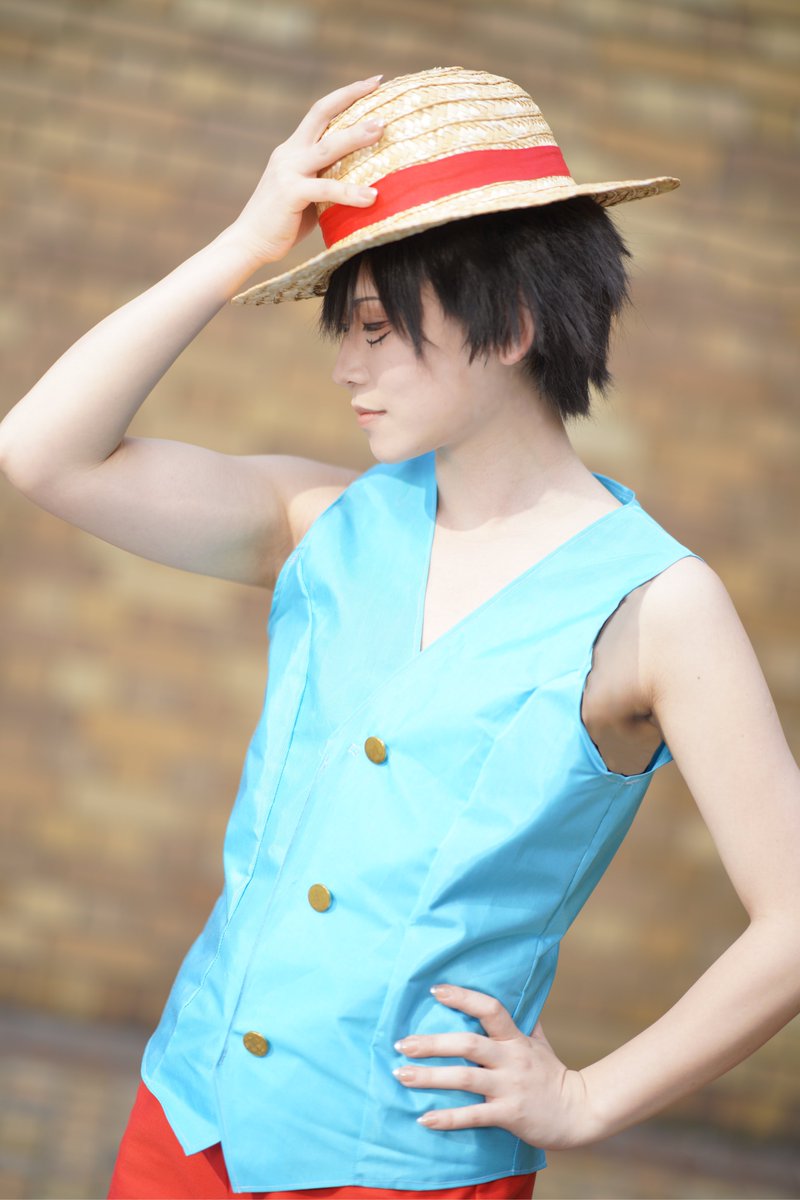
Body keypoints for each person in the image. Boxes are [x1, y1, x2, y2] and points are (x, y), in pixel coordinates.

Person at [1, 66, 798, 1200]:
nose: (345, 365)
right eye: (344, 327)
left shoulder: (657, 606)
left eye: (375, 327)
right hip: (186, 1123)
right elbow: (42, 453)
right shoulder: (320, 522)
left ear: (513, 322)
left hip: (405, 1169)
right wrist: (241, 246)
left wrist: (587, 1099)